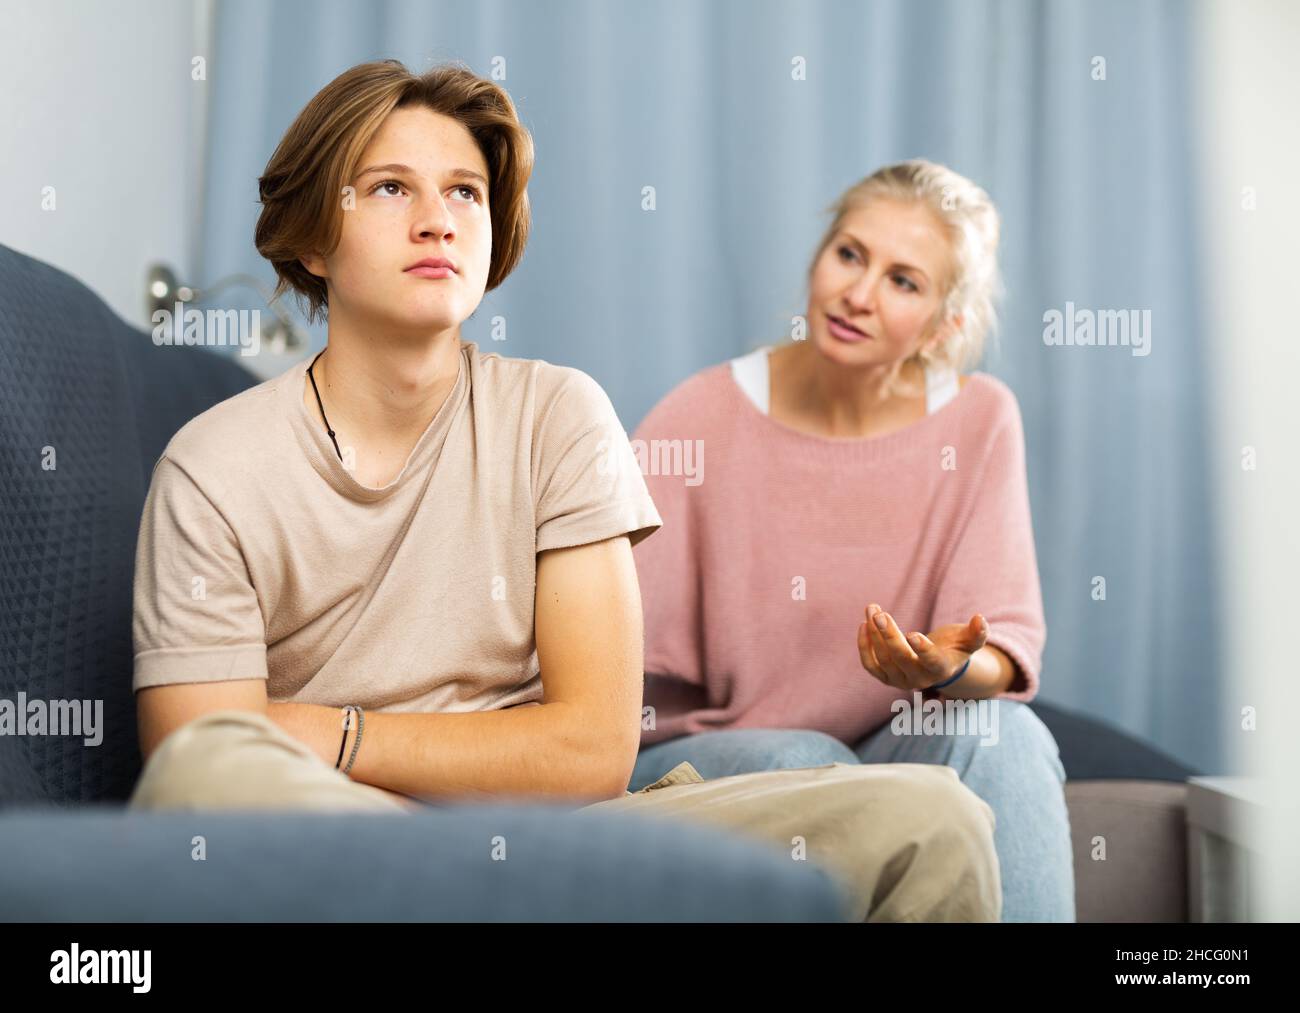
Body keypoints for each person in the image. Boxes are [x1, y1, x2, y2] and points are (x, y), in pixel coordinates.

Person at [127, 60, 1000, 923]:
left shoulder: (562, 414)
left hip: (568, 851)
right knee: (209, 776)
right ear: (313, 236)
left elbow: (591, 752)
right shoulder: (212, 467)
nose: (439, 221)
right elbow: (198, 760)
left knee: (935, 821)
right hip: (351, 846)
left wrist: (338, 733)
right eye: (391, 189)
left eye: (465, 193)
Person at [626, 160, 1076, 922]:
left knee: (1008, 735)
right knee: (818, 769)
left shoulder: (980, 420)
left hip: (889, 741)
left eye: (904, 281)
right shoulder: (698, 416)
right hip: (716, 752)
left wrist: (949, 664)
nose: (858, 295)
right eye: (849, 254)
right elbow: (602, 643)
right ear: (818, 257)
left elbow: (1003, 649)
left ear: (944, 324)